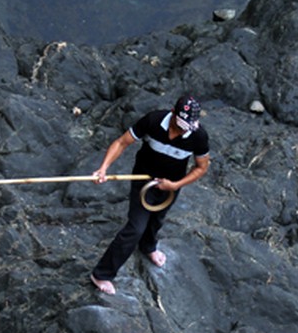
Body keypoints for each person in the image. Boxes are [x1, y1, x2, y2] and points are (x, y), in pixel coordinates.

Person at [89, 95, 210, 295]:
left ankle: (149, 246)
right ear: (173, 113)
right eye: (179, 125)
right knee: (135, 228)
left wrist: (175, 185)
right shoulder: (153, 121)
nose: (182, 130)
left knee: (157, 218)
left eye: (186, 127)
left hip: (170, 184)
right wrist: (103, 168)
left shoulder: (198, 136)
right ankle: (101, 274)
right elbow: (121, 142)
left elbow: (201, 168)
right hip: (143, 179)